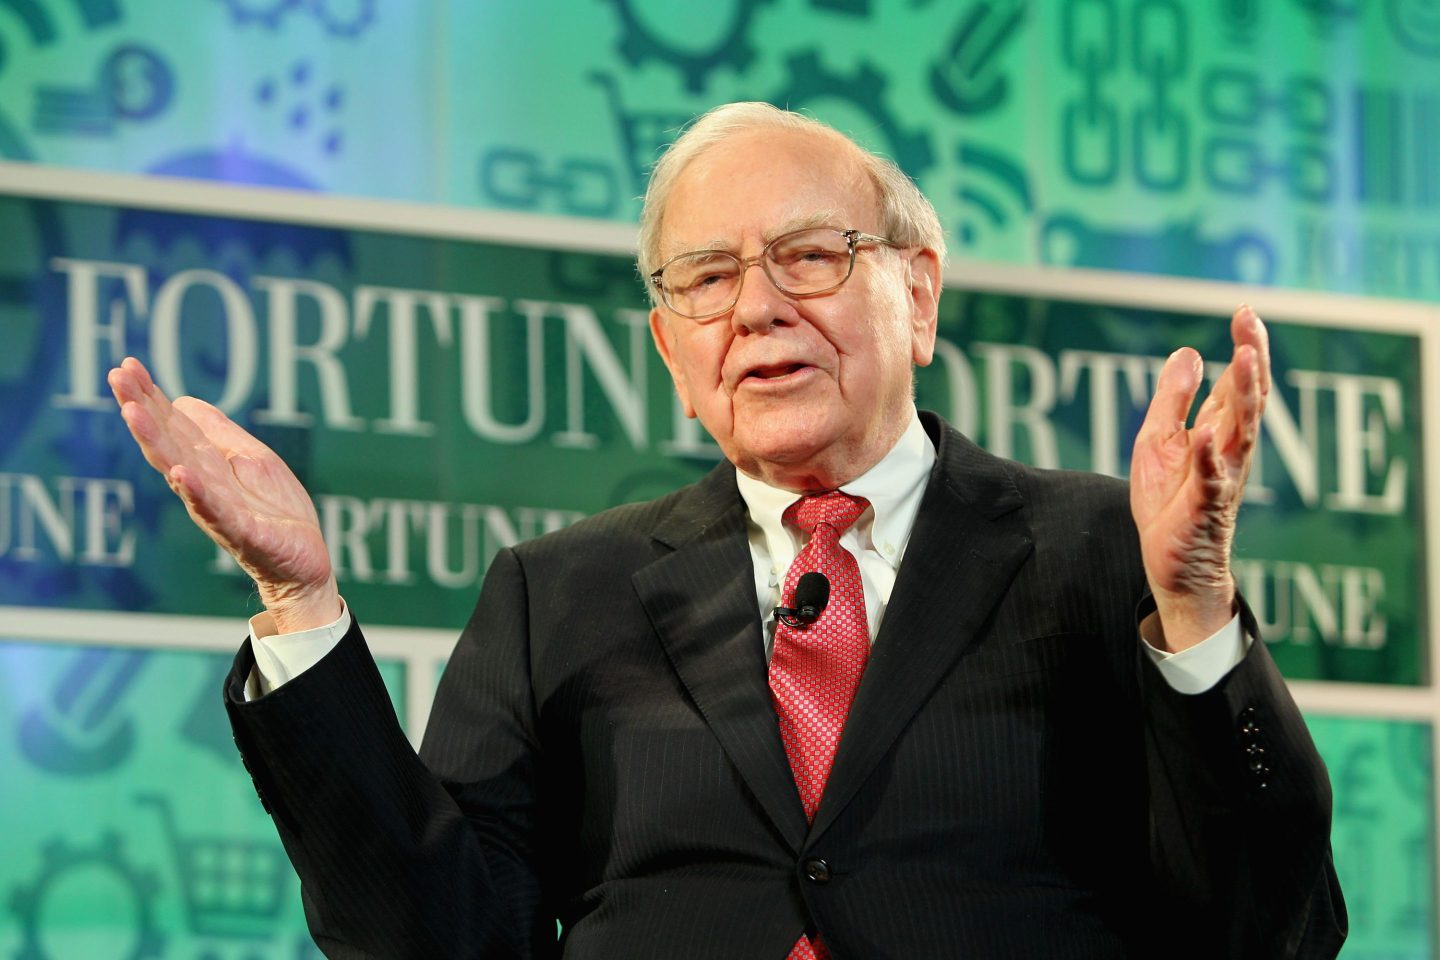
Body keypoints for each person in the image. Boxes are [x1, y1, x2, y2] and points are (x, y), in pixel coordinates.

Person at [108, 102, 1345, 959]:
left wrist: (1191, 609)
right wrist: (297, 602)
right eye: (704, 277)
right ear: (670, 349)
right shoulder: (557, 594)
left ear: (916, 293)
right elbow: (439, 937)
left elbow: (1266, 930)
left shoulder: (1103, 553)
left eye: (810, 255)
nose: (755, 307)